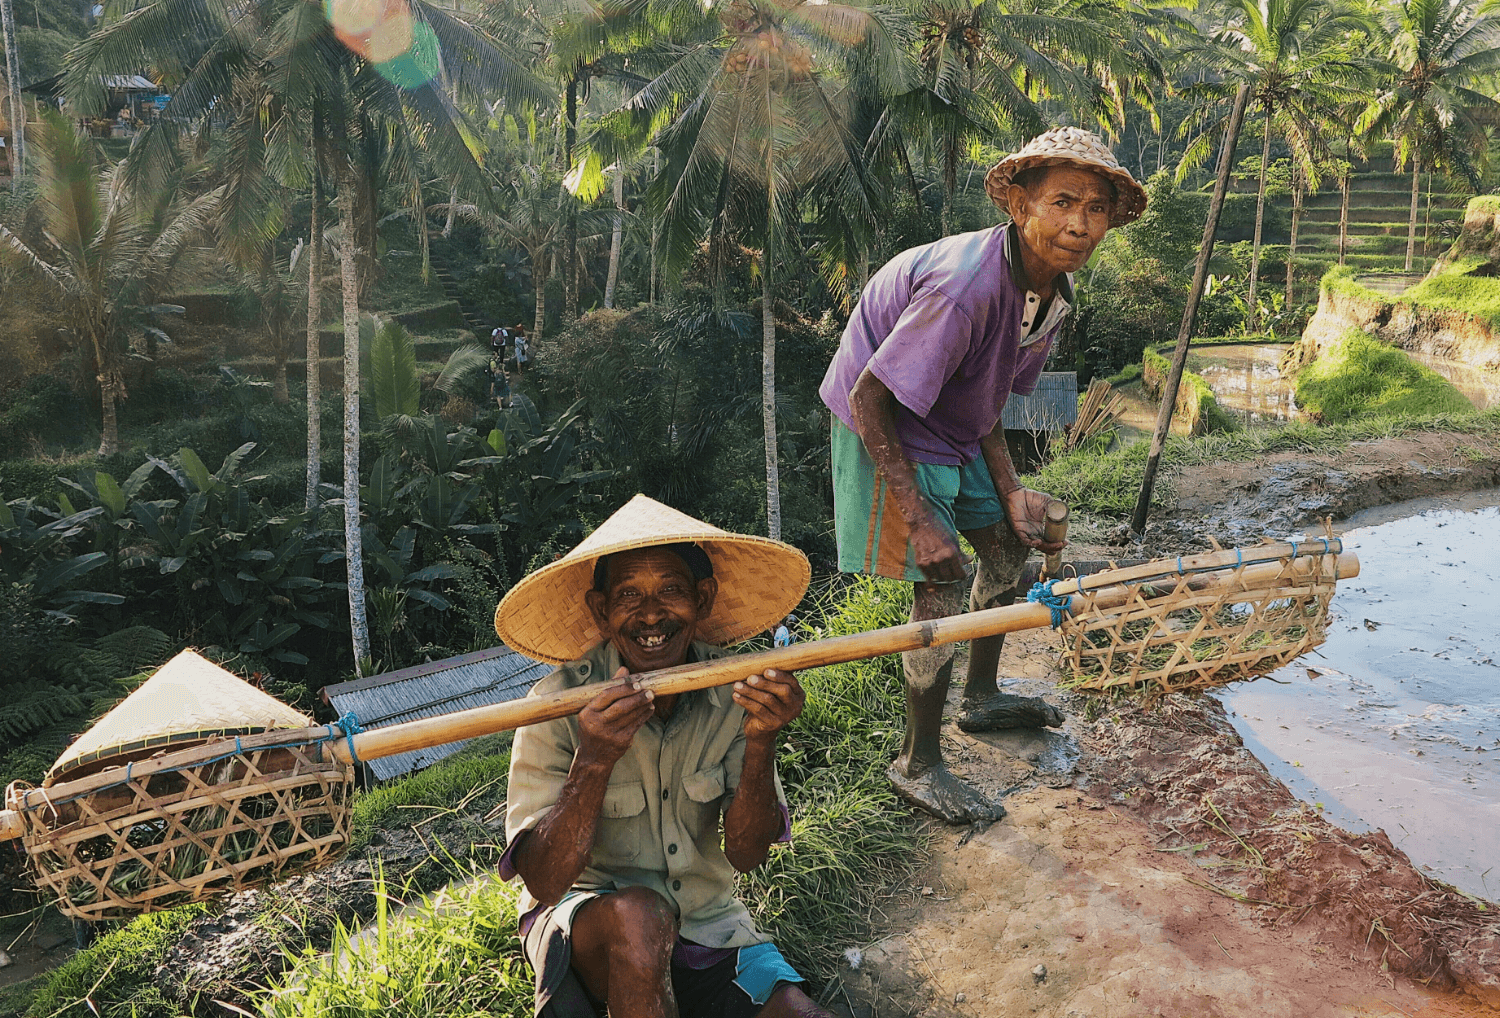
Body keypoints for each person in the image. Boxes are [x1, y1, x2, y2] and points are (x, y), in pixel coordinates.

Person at [818, 127, 1148, 824]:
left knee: (1005, 547)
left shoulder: (1050, 295)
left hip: (949, 416)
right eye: (1063, 202)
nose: (1080, 224)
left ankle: (982, 695)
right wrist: (920, 516)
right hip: (889, 422)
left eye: (1096, 209)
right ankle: (918, 762)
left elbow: (989, 393)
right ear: (1021, 205)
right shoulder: (966, 288)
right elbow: (870, 397)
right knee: (937, 585)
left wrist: (1010, 492)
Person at [495, 494, 831, 1018]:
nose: (651, 614)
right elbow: (545, 880)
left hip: (707, 922)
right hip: (588, 921)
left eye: (671, 591)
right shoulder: (556, 705)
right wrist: (596, 759)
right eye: (628, 594)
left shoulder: (735, 691)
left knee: (802, 1014)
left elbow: (748, 854)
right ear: (601, 611)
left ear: (703, 598)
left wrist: (762, 739)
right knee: (640, 918)